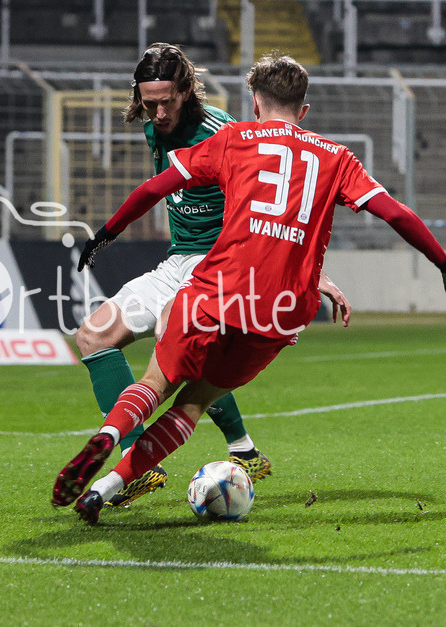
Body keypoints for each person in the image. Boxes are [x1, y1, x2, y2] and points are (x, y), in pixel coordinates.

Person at [53, 52, 446, 524]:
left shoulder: (231, 137)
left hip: (215, 278)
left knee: (156, 381)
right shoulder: (336, 157)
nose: (159, 113)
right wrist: (445, 263)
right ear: (304, 109)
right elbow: (394, 212)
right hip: (280, 310)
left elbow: (155, 190)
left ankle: (113, 435)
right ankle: (110, 487)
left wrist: (106, 232)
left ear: (254, 101)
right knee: (190, 400)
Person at [75, 43, 351, 508]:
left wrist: (310, 273)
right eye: (150, 102)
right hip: (178, 259)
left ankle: (209, 453)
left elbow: (281, 211)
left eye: (167, 100)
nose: (159, 111)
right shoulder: (152, 128)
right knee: (92, 336)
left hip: (223, 263)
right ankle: (219, 453)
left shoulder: (224, 130)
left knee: (177, 343)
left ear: (187, 90)